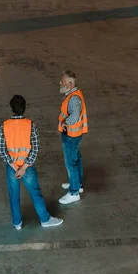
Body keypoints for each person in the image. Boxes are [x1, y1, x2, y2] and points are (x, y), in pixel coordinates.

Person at [0, 94, 63, 230]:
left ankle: (17, 223)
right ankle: (45, 219)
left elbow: (2, 150)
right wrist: (23, 168)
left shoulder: (4, 126)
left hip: (12, 168)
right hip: (27, 167)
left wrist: (15, 167)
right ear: (24, 108)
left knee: (13, 195)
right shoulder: (30, 125)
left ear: (12, 108)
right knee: (35, 193)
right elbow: (35, 148)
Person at [58, 70, 88, 205]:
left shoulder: (74, 99)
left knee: (71, 164)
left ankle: (74, 192)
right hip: (76, 135)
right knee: (76, 159)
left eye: (62, 81)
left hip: (70, 135)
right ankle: (78, 184)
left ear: (70, 84)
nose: (60, 83)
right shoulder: (73, 94)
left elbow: (75, 115)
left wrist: (65, 123)